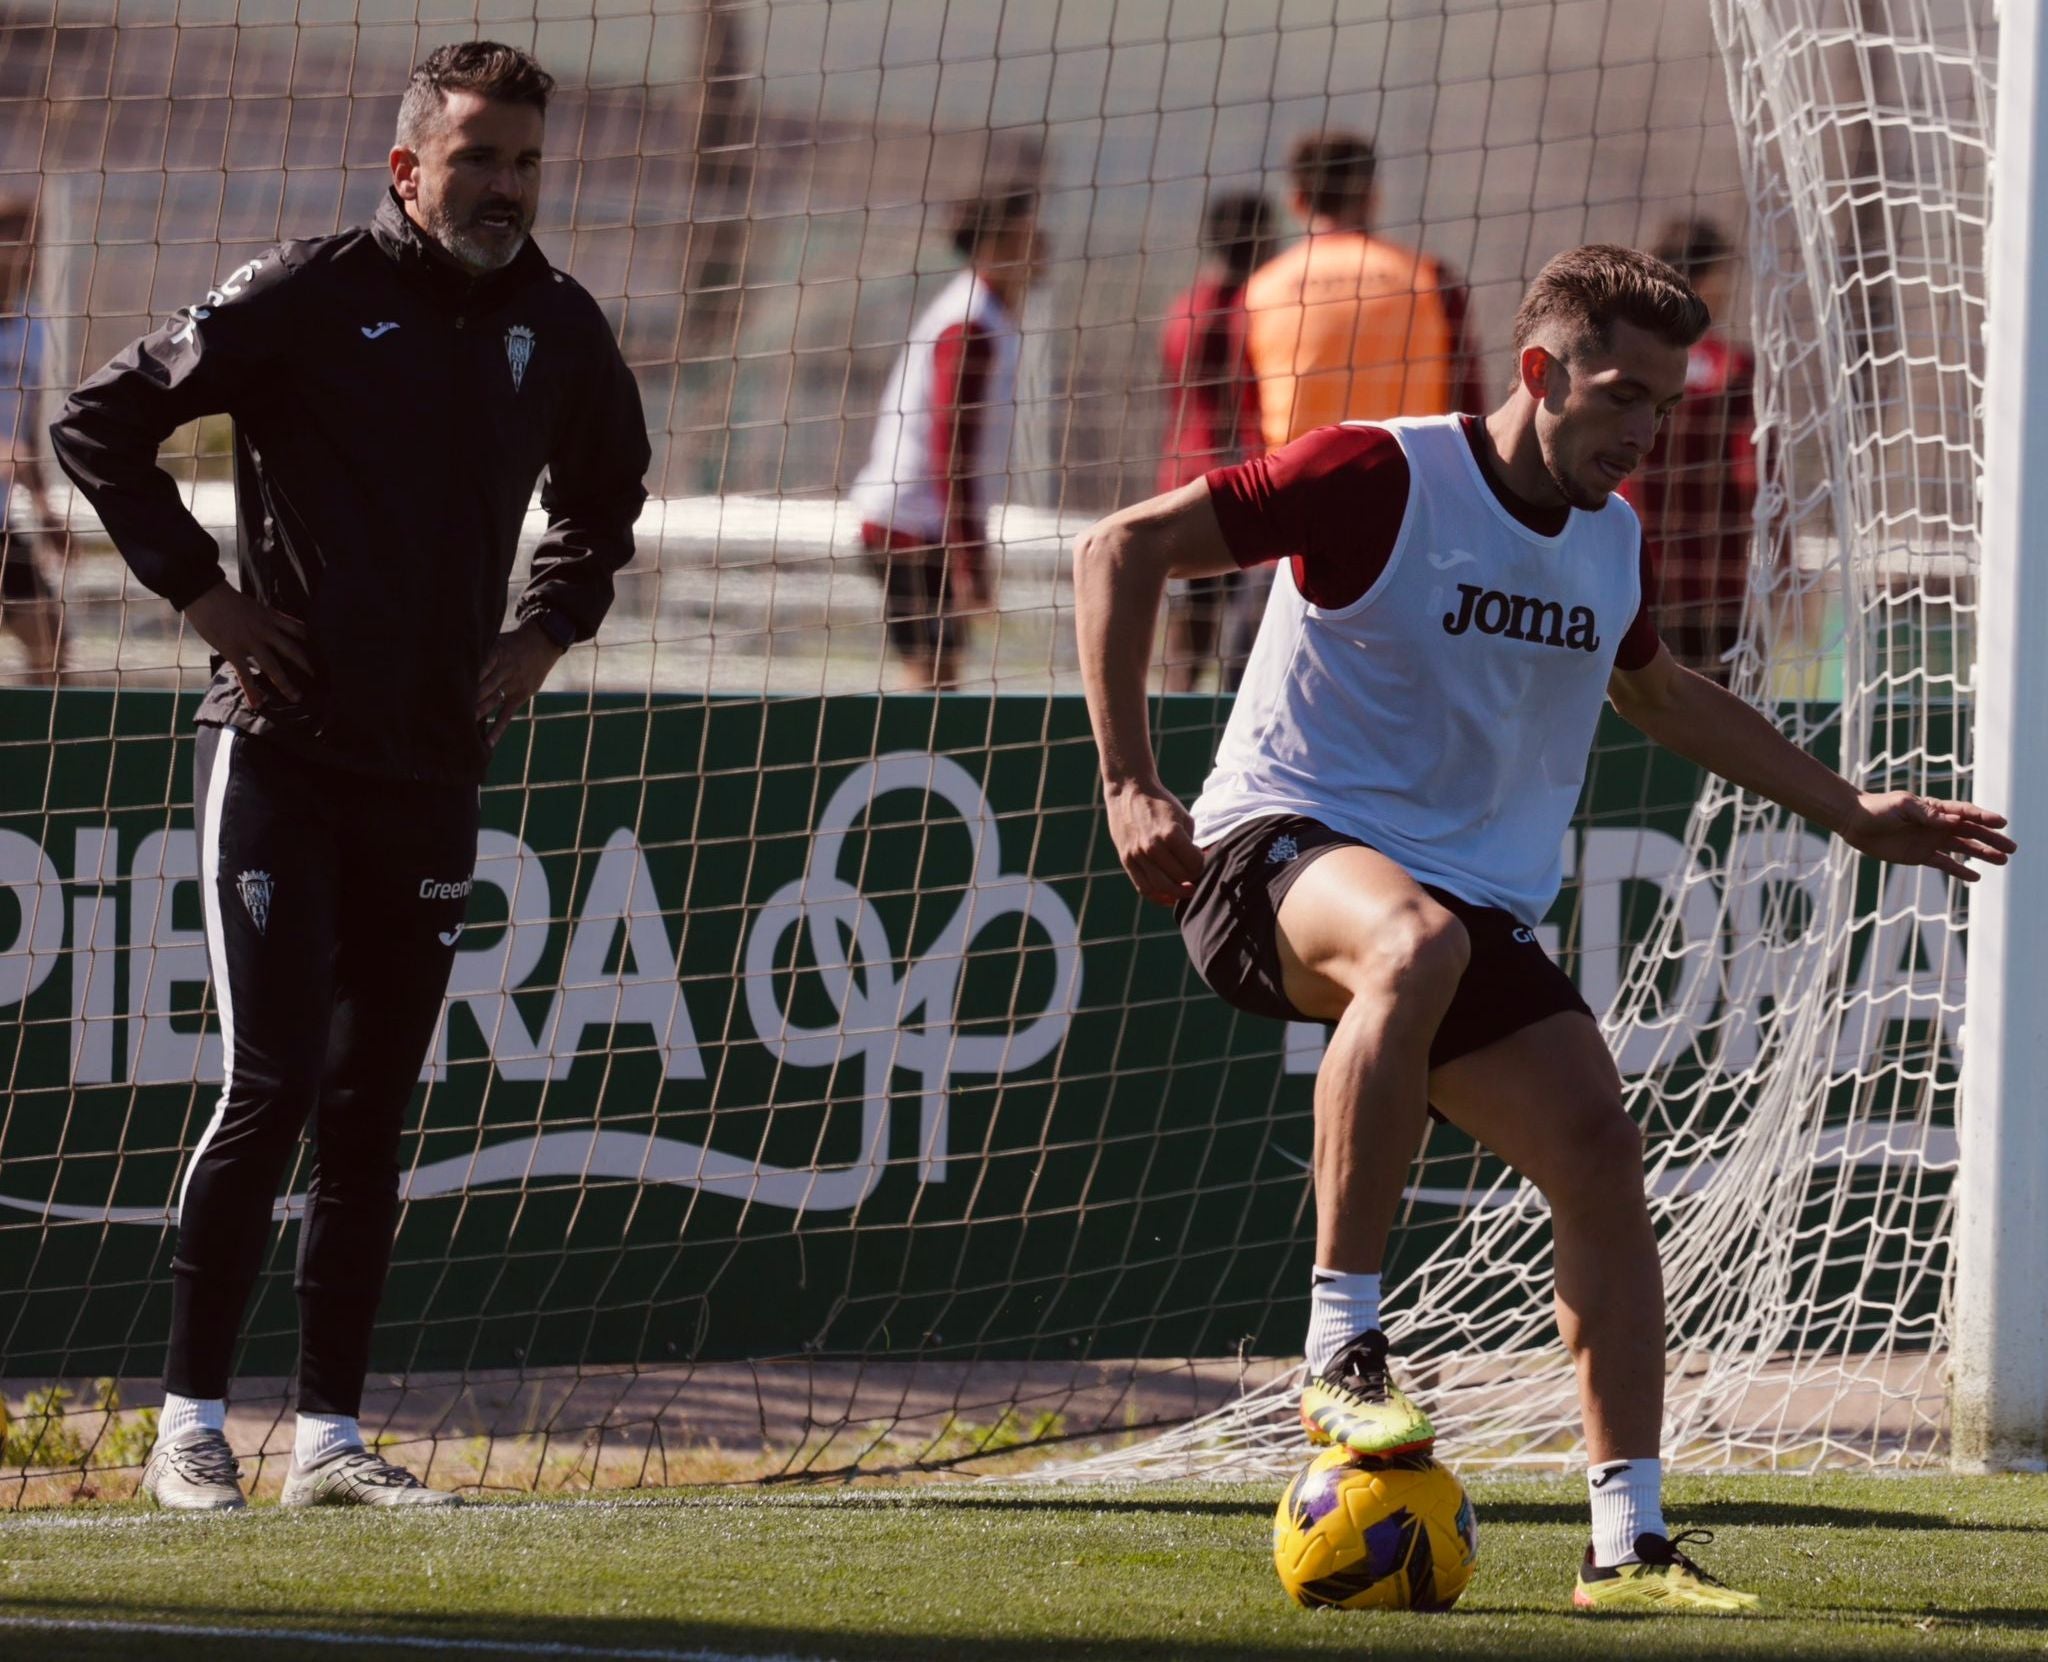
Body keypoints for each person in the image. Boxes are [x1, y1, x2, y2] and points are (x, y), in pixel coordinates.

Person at [1073, 244, 2013, 1611]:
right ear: (1539, 370)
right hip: (1269, 853)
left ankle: (1626, 1541)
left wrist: (1848, 806)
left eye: (1663, 406)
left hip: (1457, 907)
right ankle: (1342, 1351)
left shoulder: (1613, 538)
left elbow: (1663, 696)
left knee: (1597, 1144)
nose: (1641, 429)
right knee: (1412, 945)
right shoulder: (1380, 473)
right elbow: (1123, 545)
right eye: (1620, 392)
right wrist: (1125, 780)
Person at [51, 40, 650, 1511]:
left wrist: (546, 629)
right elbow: (97, 424)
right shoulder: (306, 293)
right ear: (407, 167)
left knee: (374, 1104)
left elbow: (606, 494)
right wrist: (207, 600)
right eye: (476, 158)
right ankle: (186, 1422)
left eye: (523, 160)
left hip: (433, 767)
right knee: (268, 1085)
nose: (505, 186)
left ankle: (331, 1437)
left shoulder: (559, 328)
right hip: (279, 755)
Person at [850, 189, 1040, 690]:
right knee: (933, 678)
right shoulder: (970, 323)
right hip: (911, 529)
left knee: (941, 675)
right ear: (996, 245)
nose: (1042, 248)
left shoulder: (986, 313)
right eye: (1029, 237)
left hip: (922, 526)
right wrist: (969, 558)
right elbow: (951, 448)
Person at [1243, 130, 1486, 450]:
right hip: (1412, 479)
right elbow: (1470, 407)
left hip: (1298, 486)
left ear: (1297, 201)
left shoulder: (1259, 290)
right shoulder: (1431, 278)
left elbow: (1244, 419)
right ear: (1373, 195)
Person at [1618, 219, 1757, 680]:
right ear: (1704, 281)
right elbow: (1752, 473)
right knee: (1720, 725)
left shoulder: (1628, 362)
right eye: (1724, 278)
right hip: (1717, 588)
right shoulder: (1734, 368)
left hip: (1636, 577)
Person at [1156, 190, 1271, 691]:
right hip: (1245, 487)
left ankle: (1166, 741)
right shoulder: (1258, 307)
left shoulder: (1185, 308)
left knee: (1189, 638)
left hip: (1182, 481)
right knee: (1252, 640)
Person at [0, 199, 61, 681]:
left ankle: (43, 753)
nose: (27, 254)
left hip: (1, 522)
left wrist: (44, 510)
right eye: (16, 242)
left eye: (33, 243)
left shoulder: (32, 323)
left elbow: (27, 425)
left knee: (52, 645)